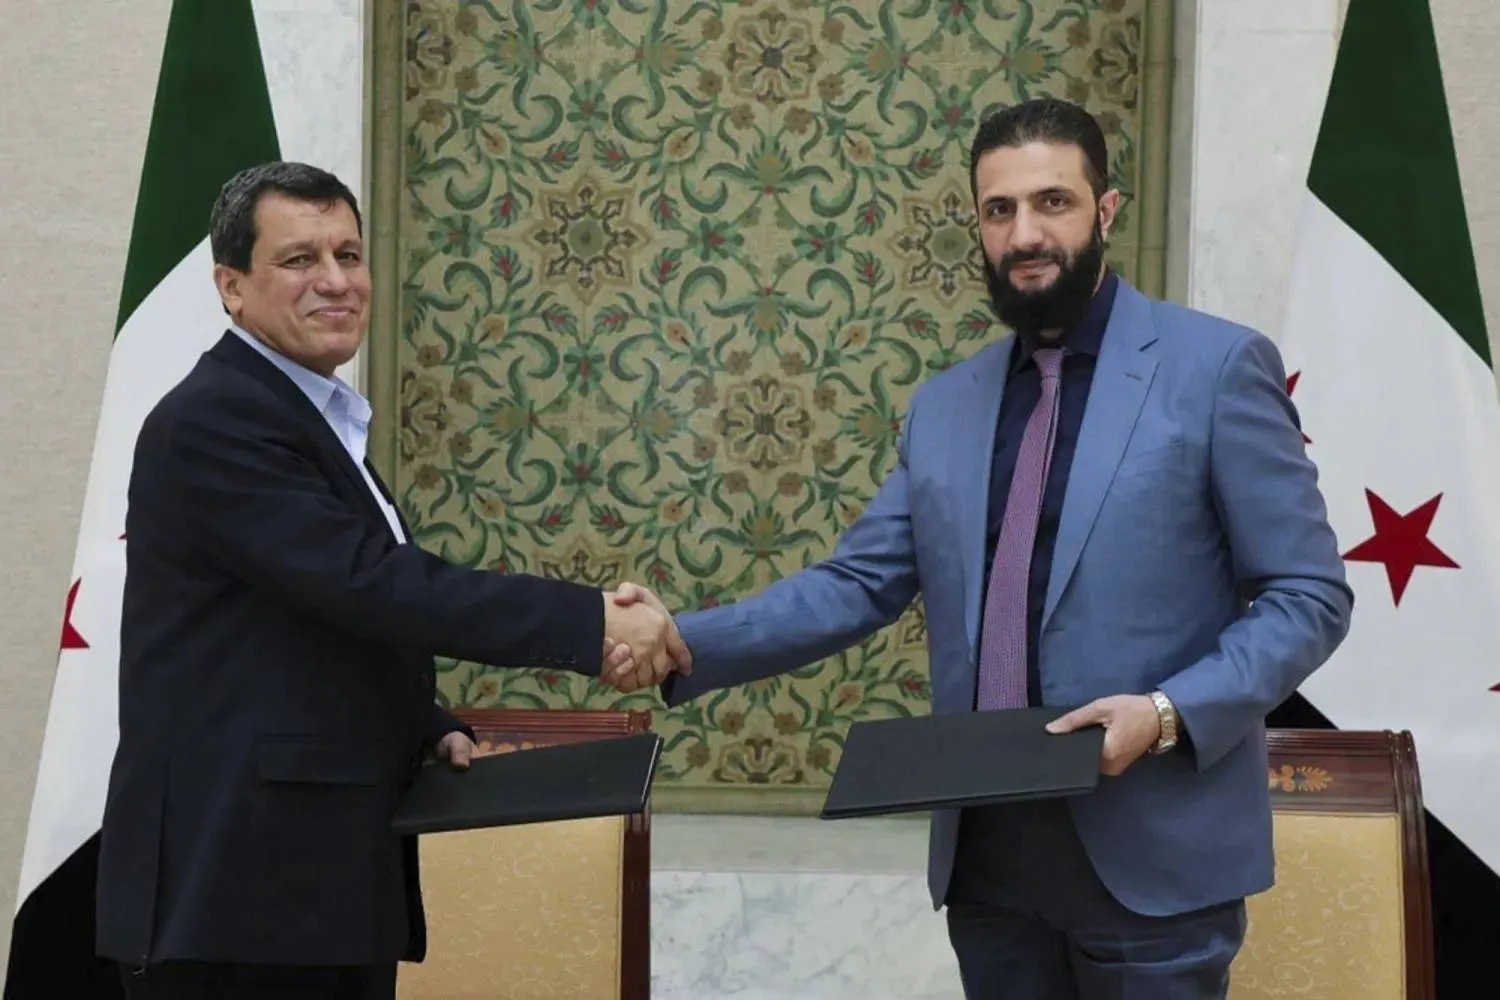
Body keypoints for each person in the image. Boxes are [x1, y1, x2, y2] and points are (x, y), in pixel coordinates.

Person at [616, 98, 1353, 998]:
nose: (1025, 234)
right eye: (999, 210)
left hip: (1151, 858)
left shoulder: (1217, 368)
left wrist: (1165, 714)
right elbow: (858, 583)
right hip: (990, 861)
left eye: (1053, 202)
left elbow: (1308, 596)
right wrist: (680, 638)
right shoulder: (946, 405)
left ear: (1106, 211)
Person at [95, 161, 689, 1000]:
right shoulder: (216, 419)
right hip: (236, 894)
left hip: (313, 885)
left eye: (349, 254)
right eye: (299, 259)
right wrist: (590, 623)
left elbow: (311, 627)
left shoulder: (306, 415)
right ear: (231, 286)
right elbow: (371, 583)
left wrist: (420, 722)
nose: (336, 281)